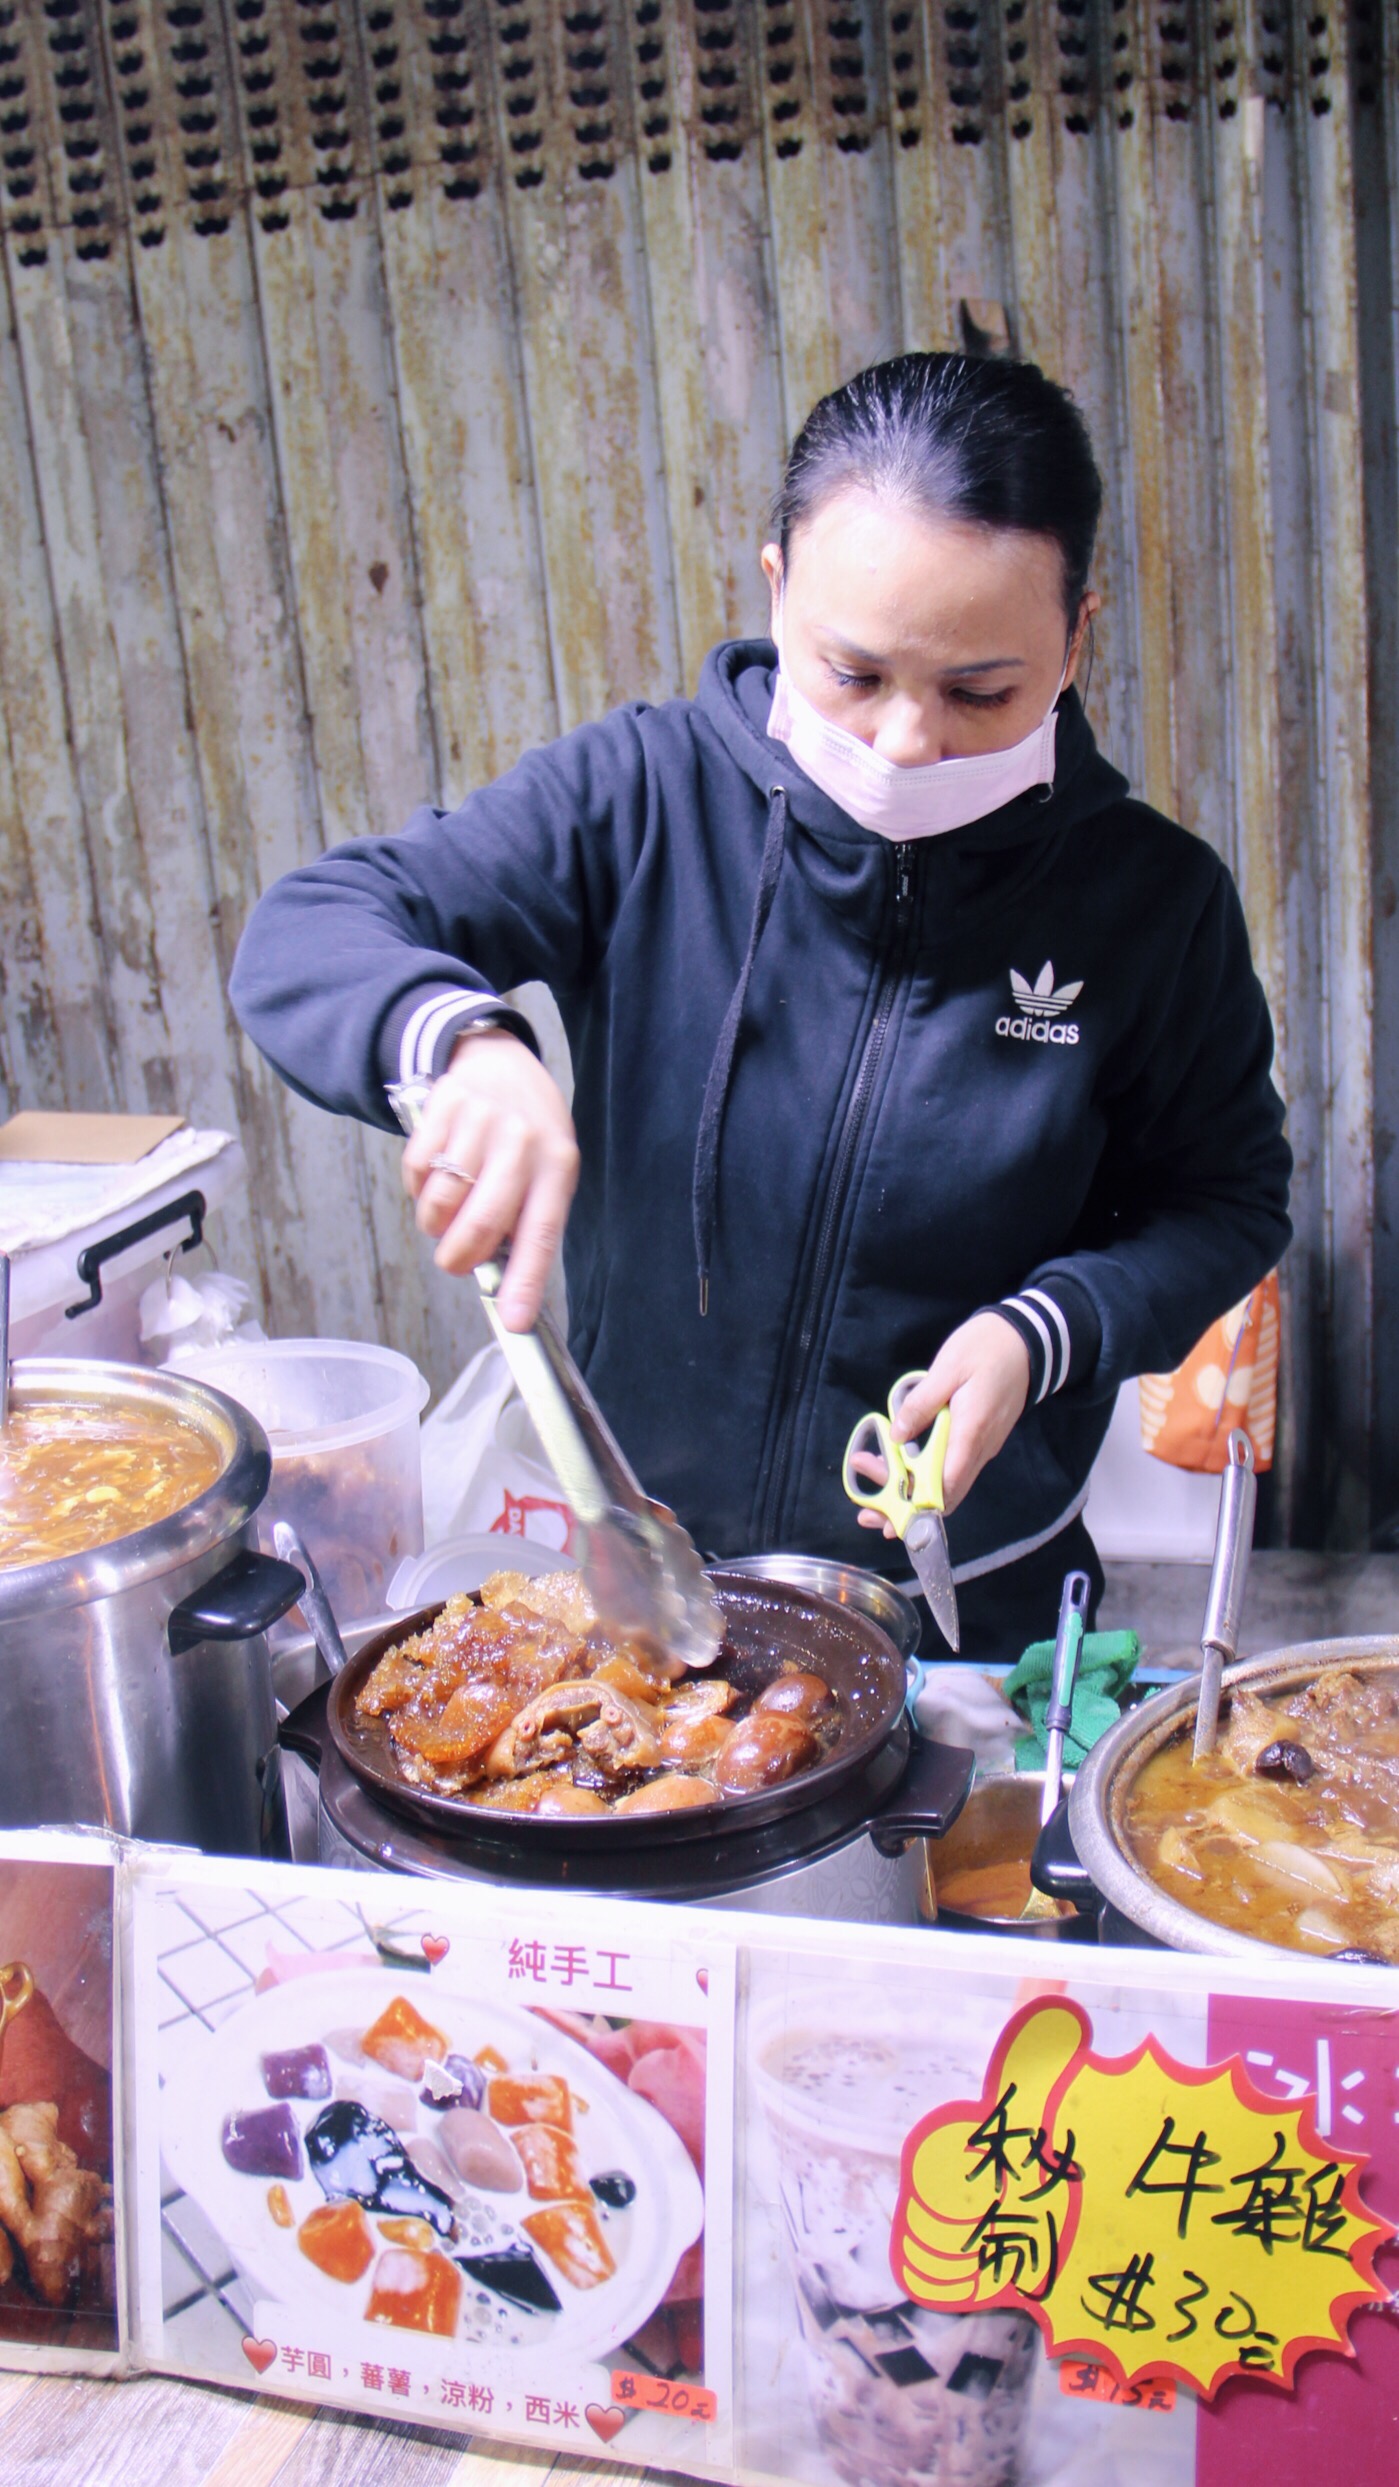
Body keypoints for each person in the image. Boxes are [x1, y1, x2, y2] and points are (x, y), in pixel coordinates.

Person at [230, 351, 1291, 1664]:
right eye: (855, 674)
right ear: (778, 588)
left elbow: (1229, 1199)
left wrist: (1047, 1331)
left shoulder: (1151, 902)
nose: (909, 740)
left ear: (1076, 638)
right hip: (646, 1575)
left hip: (968, 1604)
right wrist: (460, 1042)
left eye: (980, 692)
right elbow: (309, 930)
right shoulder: (641, 799)